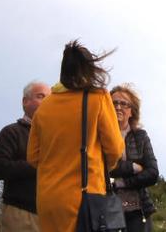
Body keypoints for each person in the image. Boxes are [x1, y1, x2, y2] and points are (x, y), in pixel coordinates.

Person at [27, 40, 124, 232]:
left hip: (48, 200)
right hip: (85, 198)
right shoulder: (99, 97)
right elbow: (114, 148)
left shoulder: (45, 106)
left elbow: (32, 157)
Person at [0, 81, 51, 232]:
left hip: (53, 214)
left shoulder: (57, 137)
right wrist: (39, 165)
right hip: (21, 213)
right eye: (40, 96)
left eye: (49, 98)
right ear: (25, 102)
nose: (46, 101)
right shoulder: (11, 132)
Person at [109, 84, 159, 231]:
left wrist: (121, 183)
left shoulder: (140, 136)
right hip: (108, 210)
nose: (118, 107)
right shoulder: (98, 136)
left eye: (123, 104)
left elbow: (152, 173)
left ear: (131, 111)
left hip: (139, 211)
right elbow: (101, 168)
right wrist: (132, 167)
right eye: (114, 103)